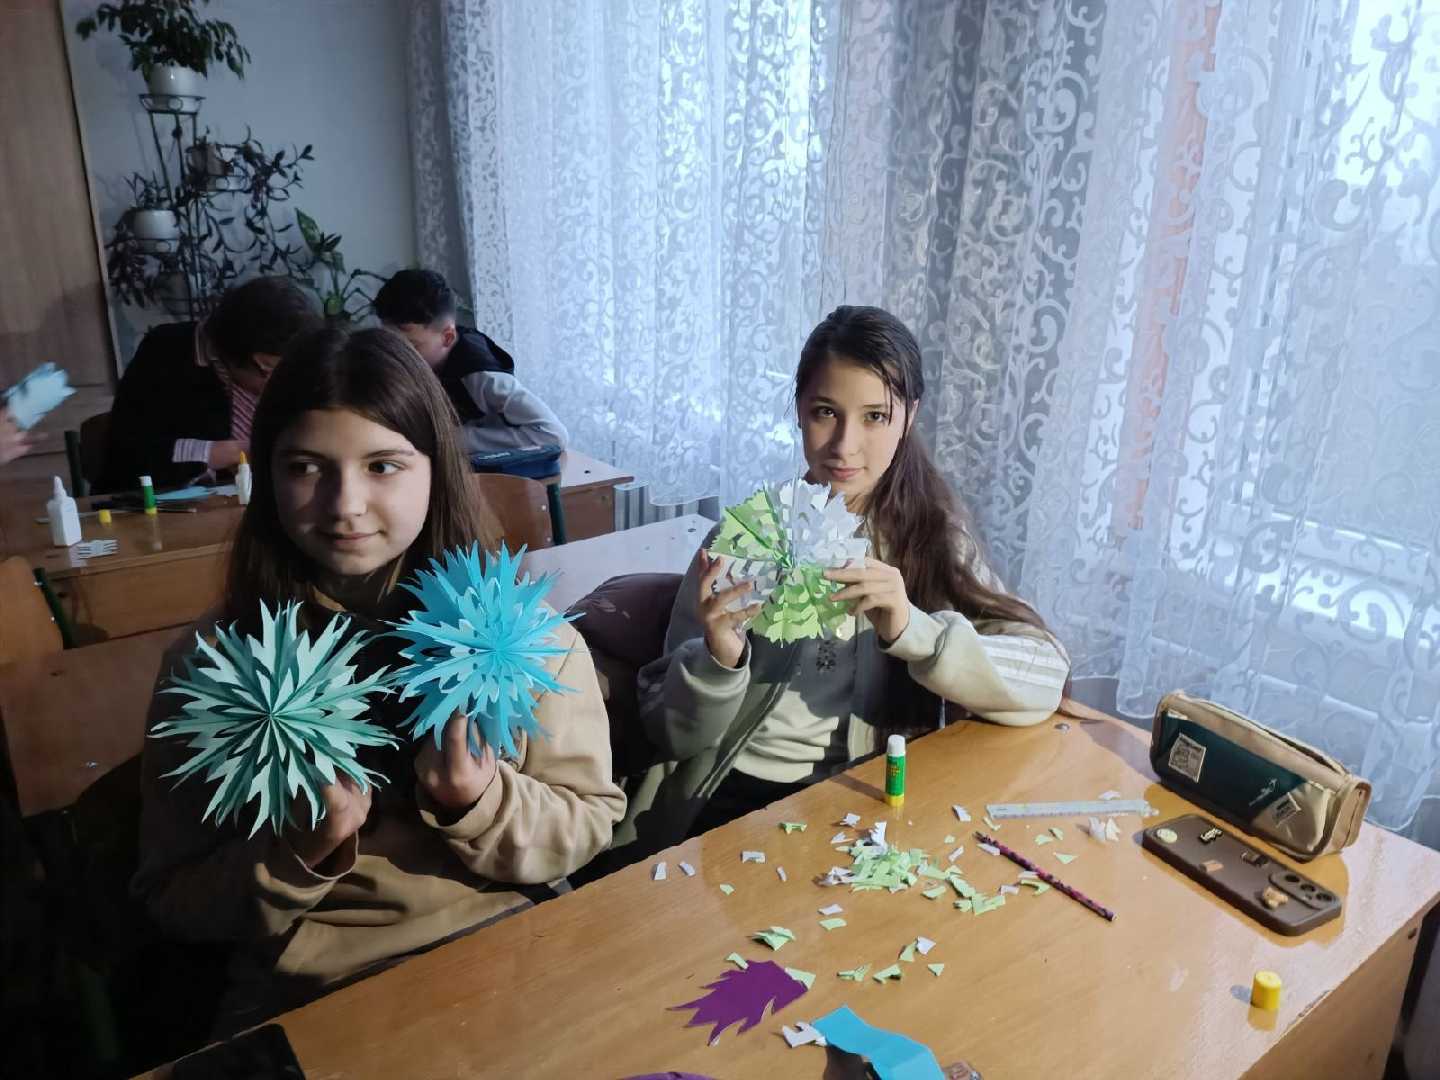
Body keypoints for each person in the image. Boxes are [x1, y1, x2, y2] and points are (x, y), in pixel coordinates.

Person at [132, 327, 624, 1032]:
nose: (345, 504)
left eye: (384, 465)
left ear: (436, 470)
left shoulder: (527, 638)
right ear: (266, 476)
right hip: (322, 990)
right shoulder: (211, 662)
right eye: (306, 467)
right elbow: (172, 895)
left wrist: (481, 800)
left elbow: (588, 822)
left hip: (517, 946)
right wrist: (299, 850)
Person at [618, 305, 1070, 851]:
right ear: (798, 410)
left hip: (866, 802)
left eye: (875, 416)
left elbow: (1044, 674)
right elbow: (667, 730)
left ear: (909, 417)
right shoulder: (745, 539)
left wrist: (913, 629)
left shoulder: (931, 540)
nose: (844, 445)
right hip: (727, 794)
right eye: (825, 412)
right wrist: (718, 661)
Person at [98, 277, 320, 493]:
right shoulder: (166, 352)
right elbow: (130, 458)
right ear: (238, 357)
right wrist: (229, 452)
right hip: (150, 505)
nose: (281, 383)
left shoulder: (293, 371)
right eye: (269, 371)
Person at [372, 269, 568, 457]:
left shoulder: (483, 376)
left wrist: (454, 439)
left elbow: (553, 434)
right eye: (391, 343)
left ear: (447, 337)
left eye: (412, 346)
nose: (397, 356)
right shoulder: (407, 359)